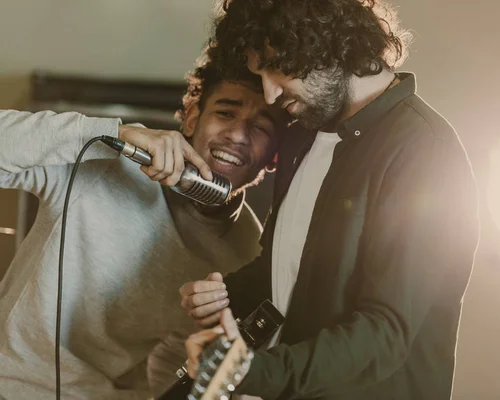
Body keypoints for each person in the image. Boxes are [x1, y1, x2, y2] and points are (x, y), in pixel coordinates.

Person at [180, 0, 480, 399]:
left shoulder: (427, 151)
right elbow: (290, 269)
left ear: (329, 44)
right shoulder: (304, 133)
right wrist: (225, 295)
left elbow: (384, 334)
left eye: (276, 67)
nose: (269, 93)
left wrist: (250, 371)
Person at [0, 61, 288, 399]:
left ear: (274, 157)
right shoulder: (102, 161)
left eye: (260, 128)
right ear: (193, 117)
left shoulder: (251, 253)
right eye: (225, 113)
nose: (237, 135)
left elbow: (180, 358)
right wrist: (110, 133)